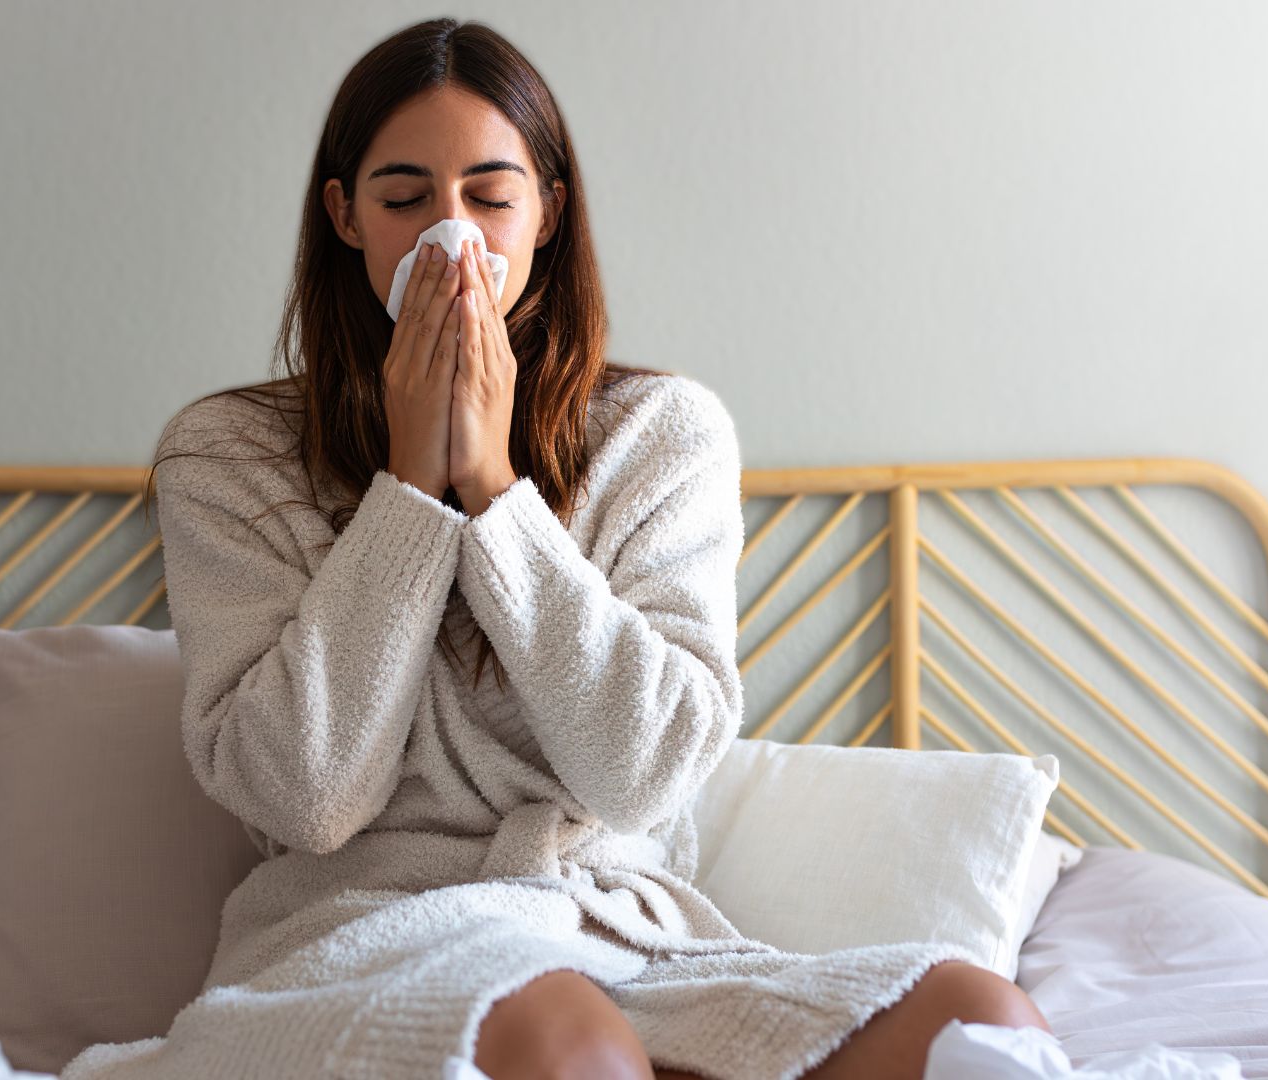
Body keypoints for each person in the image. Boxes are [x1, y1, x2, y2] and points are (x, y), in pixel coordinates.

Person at [63, 17, 1052, 1080]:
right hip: (359, 946)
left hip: (619, 941)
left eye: (490, 197)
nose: (454, 239)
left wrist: (494, 494)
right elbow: (308, 796)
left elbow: (645, 775)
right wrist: (407, 492)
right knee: (565, 1039)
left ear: (548, 211)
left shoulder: (659, 435)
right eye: (405, 200)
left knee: (978, 1015)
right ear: (346, 216)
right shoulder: (229, 455)